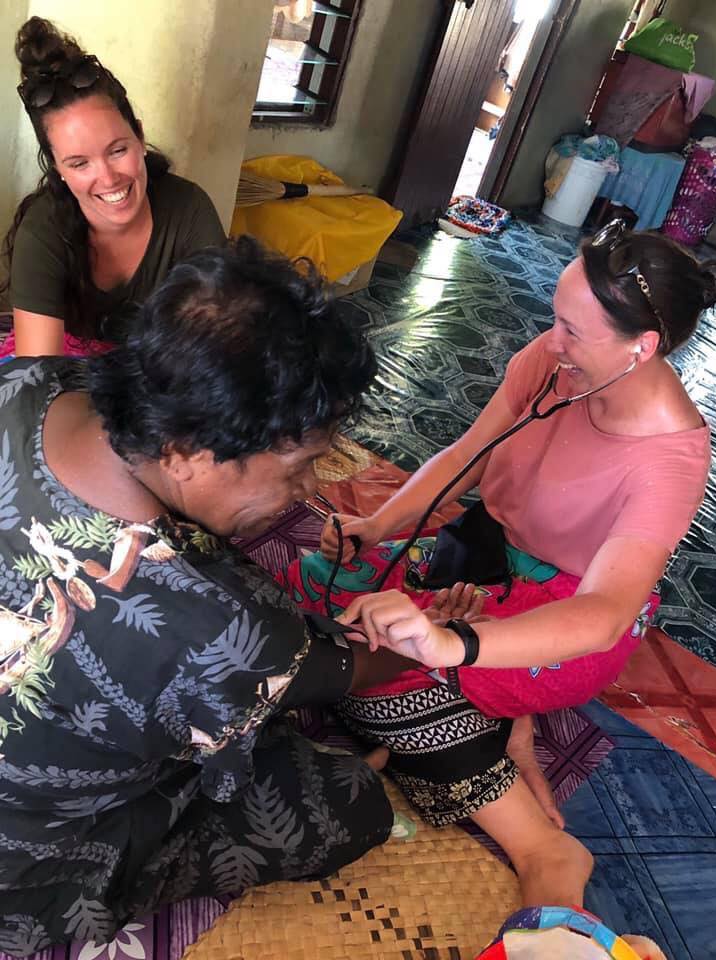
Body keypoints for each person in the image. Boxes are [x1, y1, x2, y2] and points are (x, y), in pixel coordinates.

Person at [0, 237, 417, 955]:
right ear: (187, 449)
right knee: (352, 801)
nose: (310, 490)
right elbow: (357, 667)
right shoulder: (225, 628)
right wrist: (405, 636)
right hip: (22, 871)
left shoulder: (27, 383)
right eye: (301, 465)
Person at [286, 221, 716, 896]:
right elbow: (465, 456)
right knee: (327, 583)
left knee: (378, 666)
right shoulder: (553, 363)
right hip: (487, 555)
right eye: (554, 319)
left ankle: (543, 846)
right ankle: (503, 718)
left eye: (573, 330)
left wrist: (450, 643)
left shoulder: (671, 459)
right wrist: (375, 526)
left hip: (568, 614)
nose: (551, 341)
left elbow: (603, 613)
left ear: (644, 348)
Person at [0, 17, 226, 359]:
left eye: (118, 150)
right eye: (79, 163)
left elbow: (211, 351)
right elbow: (38, 381)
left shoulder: (189, 210)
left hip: (161, 376)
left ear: (139, 136)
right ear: (58, 169)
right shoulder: (42, 232)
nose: (108, 179)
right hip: (65, 379)